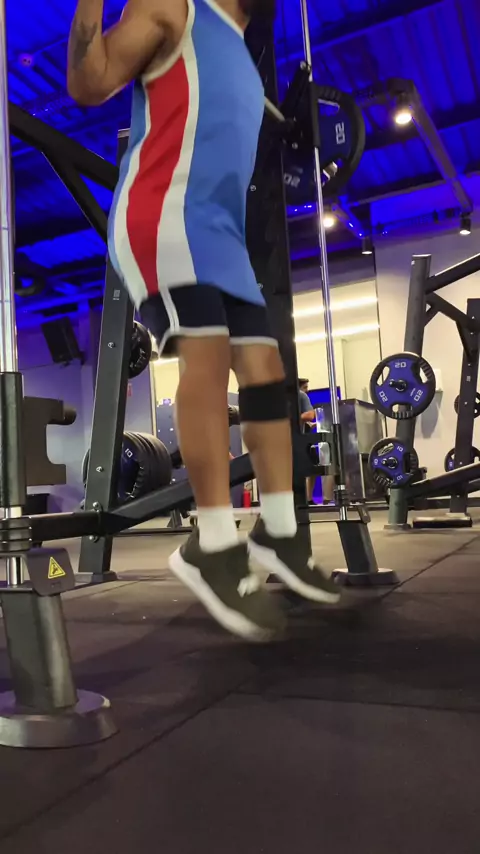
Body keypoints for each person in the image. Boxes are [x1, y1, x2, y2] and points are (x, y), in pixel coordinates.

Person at [67, 0, 340, 643]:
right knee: (209, 353)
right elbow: (89, 83)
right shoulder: (172, 9)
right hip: (163, 215)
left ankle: (279, 531)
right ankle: (212, 544)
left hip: (222, 235)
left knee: (267, 372)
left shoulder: (242, 52)